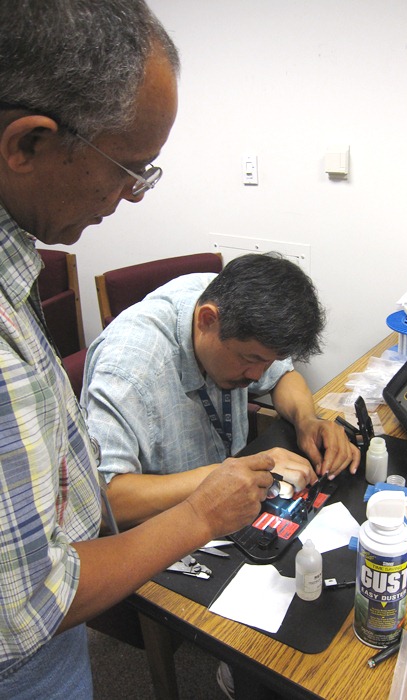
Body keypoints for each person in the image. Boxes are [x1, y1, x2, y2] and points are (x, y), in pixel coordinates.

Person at [0, 3, 277, 698]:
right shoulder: (127, 358)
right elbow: (30, 609)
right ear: (28, 144)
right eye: (131, 169)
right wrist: (200, 515)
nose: (132, 196)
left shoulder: (194, 290)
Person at [83, 253, 360, 528]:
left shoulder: (226, 299)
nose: (256, 376)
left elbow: (283, 376)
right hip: (158, 529)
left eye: (267, 362)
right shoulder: (128, 369)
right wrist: (232, 474)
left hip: (226, 506)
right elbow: (105, 502)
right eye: (250, 359)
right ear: (206, 321)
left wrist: (306, 421)